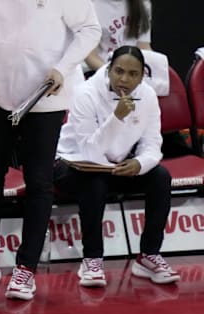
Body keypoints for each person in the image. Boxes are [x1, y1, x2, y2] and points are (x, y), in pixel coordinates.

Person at [0, 0, 100, 300]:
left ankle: (26, 267)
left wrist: (63, 67)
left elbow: (90, 29)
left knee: (38, 182)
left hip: (45, 97)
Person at [54, 46, 180, 287]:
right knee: (95, 183)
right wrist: (117, 117)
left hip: (114, 165)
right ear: (108, 69)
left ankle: (148, 255)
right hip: (71, 164)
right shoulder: (86, 93)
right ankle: (92, 259)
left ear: (142, 75)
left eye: (133, 74)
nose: (124, 79)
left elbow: (153, 144)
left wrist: (139, 163)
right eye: (119, 71)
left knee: (160, 176)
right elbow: (90, 150)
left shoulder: (148, 96)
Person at [85, 0, 152, 72]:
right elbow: (90, 57)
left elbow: (144, 47)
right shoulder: (91, 6)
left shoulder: (143, 3)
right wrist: (113, 73)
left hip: (133, 72)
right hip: (102, 70)